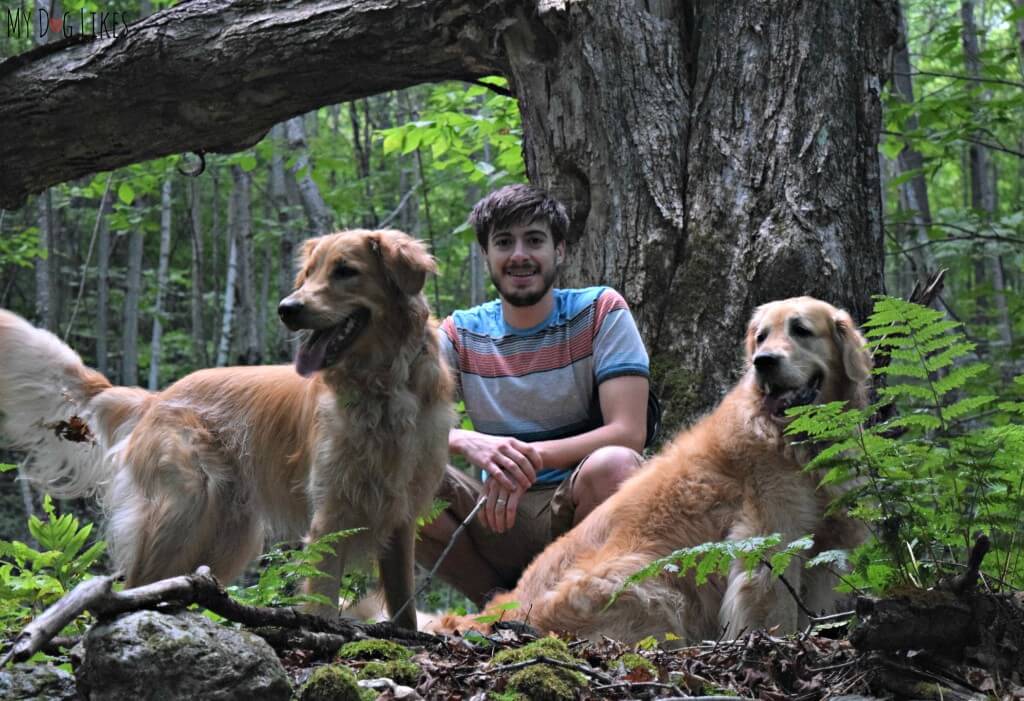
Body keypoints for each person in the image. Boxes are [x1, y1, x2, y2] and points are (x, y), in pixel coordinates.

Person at [416, 184, 651, 607]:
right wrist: (467, 440)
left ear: (559, 251)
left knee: (617, 464)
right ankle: (498, 617)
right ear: (486, 255)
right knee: (401, 472)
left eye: (535, 240)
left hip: (582, 509)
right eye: (504, 242)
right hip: (496, 517)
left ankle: (570, 610)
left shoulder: (599, 311)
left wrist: (528, 458)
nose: (519, 255)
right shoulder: (459, 333)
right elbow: (401, 419)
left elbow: (628, 432)